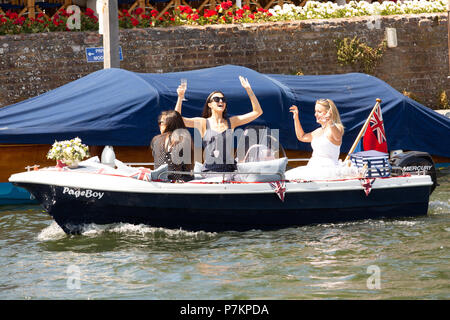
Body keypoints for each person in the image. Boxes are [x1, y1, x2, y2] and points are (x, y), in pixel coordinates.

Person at [175, 76, 263, 173]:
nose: (221, 101)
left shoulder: (232, 122)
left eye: (223, 99)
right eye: (216, 99)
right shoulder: (203, 123)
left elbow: (257, 112)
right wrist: (180, 97)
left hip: (230, 171)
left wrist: (248, 89)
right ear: (210, 105)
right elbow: (177, 119)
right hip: (210, 171)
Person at [285, 98, 345, 180]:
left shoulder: (336, 128)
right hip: (313, 167)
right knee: (287, 176)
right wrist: (296, 118)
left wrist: (330, 121)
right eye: (315, 111)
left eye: (319, 112)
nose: (315, 114)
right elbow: (302, 137)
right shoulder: (318, 131)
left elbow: (338, 137)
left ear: (329, 113)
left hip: (328, 170)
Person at [150, 110, 193, 181]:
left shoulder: (156, 139)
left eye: (161, 123)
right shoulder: (184, 139)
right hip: (177, 183)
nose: (159, 125)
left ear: (170, 124)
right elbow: (187, 167)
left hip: (157, 180)